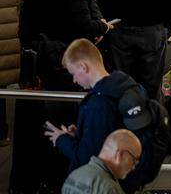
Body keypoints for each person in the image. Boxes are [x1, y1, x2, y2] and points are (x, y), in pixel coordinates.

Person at [45, 39, 151, 191]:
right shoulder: (122, 86)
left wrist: (61, 139)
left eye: (73, 73)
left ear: (83, 67)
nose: (74, 80)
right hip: (122, 175)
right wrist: (80, 134)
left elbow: (87, 156)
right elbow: (105, 136)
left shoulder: (99, 103)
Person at [60, 130, 143, 194]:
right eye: (134, 160)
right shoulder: (110, 188)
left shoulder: (74, 174)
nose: (133, 167)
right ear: (120, 154)